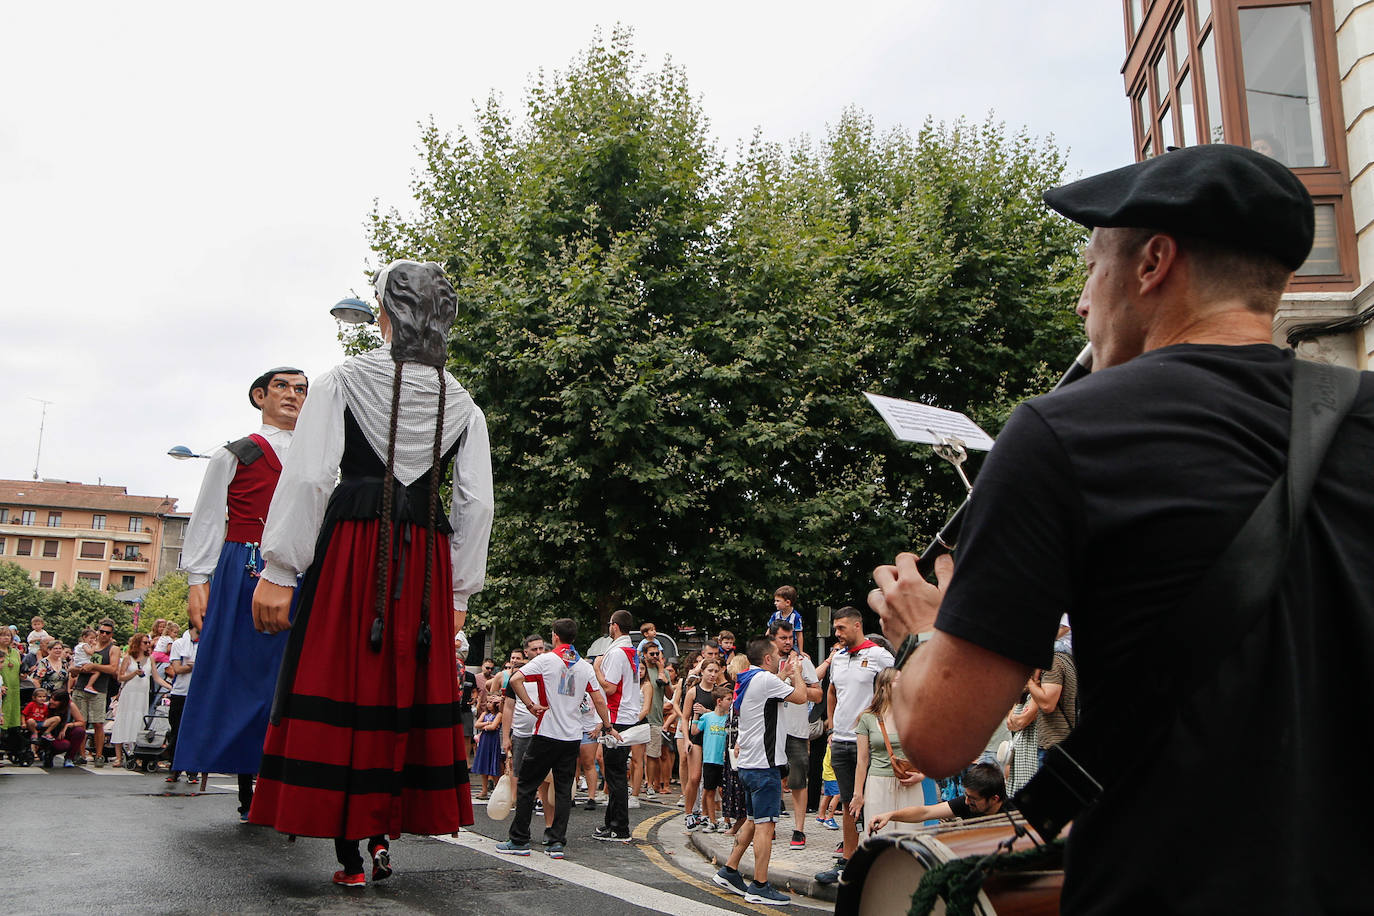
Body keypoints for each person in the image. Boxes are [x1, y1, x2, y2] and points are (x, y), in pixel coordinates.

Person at [870, 145, 1374, 913]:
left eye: (1091, 265)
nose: (1081, 301)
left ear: (1153, 264)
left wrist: (918, 632)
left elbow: (941, 738)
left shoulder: (1059, 434)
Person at [249, 260, 494, 887]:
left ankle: (349, 852)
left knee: (345, 677)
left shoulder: (343, 380)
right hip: (424, 559)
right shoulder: (462, 401)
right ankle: (384, 835)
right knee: (402, 686)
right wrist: (460, 588)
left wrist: (279, 567)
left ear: (385, 313)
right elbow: (476, 504)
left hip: (358, 545)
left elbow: (308, 475)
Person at [174, 365, 307, 818]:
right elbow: (208, 517)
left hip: (305, 570)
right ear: (259, 396)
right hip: (244, 566)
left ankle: (286, 774)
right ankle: (248, 779)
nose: (293, 395)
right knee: (245, 670)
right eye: (283, 387)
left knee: (293, 676)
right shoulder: (235, 453)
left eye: (301, 389)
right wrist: (198, 580)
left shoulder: (321, 455)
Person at [497, 617, 615, 859]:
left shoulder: (546, 660)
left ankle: (519, 839)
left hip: (546, 733)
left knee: (527, 786)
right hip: (571, 737)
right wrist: (607, 725)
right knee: (563, 791)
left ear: (555, 636)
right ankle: (556, 842)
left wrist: (530, 705)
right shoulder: (583, 666)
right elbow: (599, 699)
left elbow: (516, 678)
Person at [711, 635, 809, 906]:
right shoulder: (765, 680)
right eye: (777, 653)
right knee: (766, 826)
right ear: (767, 658)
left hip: (748, 765)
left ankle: (729, 870)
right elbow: (801, 697)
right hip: (764, 767)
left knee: (754, 822)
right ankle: (760, 885)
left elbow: (770, 698)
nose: (781, 656)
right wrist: (797, 673)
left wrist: (784, 674)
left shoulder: (748, 679)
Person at [816, 607, 893, 884]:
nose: (837, 633)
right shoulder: (837, 657)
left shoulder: (879, 655)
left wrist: (873, 712)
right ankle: (848, 862)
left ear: (857, 625)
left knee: (873, 802)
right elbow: (832, 690)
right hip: (841, 741)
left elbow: (896, 688)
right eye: (835, 628)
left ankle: (875, 862)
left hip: (869, 743)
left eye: (841, 628)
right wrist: (832, 723)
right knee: (848, 802)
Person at [850, 668, 935, 837]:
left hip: (909, 782)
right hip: (878, 782)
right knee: (878, 836)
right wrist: (858, 794)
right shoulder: (867, 717)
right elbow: (862, 760)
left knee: (911, 836)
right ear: (884, 686)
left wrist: (923, 775)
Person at [592, 609, 645, 842]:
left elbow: (610, 687)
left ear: (614, 626)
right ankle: (610, 823)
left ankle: (619, 827)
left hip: (617, 717)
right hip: (627, 715)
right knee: (615, 774)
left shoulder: (615, 653)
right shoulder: (631, 650)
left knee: (614, 776)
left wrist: (596, 668)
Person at [769, 619, 821, 850]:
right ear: (773, 638)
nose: (788, 642)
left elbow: (818, 696)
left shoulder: (803, 662)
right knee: (770, 778)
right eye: (783, 638)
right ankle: (768, 825)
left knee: (798, 780)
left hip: (797, 731)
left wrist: (795, 681)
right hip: (771, 730)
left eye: (791, 638)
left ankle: (799, 829)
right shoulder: (767, 661)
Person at [867, 763, 1010, 833]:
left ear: (994, 799)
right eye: (966, 796)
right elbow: (925, 812)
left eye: (973, 799)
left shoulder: (1015, 815)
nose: (967, 801)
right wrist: (890, 815)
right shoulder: (966, 804)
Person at [111, 634, 169, 767]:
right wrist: (133, 674)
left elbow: (156, 677)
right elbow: (120, 677)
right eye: (145, 642)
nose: (148, 645)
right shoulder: (128, 658)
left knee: (139, 721)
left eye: (149, 642)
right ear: (138, 643)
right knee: (123, 720)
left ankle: (137, 753)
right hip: (129, 693)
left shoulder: (150, 659)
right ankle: (119, 756)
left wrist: (170, 687)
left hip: (142, 695)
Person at [679, 658, 724, 830]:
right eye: (710, 671)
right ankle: (689, 812)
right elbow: (685, 717)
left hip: (714, 738)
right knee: (695, 777)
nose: (713, 675)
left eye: (715, 671)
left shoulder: (718, 693)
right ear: (702, 671)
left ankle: (706, 814)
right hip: (697, 738)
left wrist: (707, 712)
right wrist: (686, 739)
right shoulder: (693, 692)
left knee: (710, 780)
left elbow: (723, 713)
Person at [70, 618, 120, 767]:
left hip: (99, 689)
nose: (103, 634)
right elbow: (76, 665)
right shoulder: (88, 645)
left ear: (111, 634)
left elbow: (113, 669)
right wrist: (76, 670)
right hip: (80, 686)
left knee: (98, 723)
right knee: (81, 723)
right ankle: (81, 754)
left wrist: (95, 666)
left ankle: (99, 754)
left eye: (107, 632)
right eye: (101, 631)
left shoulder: (113, 649)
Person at [692, 687, 731, 831]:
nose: (730, 702)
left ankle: (726, 820)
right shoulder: (707, 718)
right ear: (719, 701)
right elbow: (694, 731)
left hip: (725, 761)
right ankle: (712, 820)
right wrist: (696, 715)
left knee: (724, 791)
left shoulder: (729, 718)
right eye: (728, 699)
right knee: (709, 790)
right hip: (709, 759)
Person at [164, 623, 198, 783]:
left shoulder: (206, 642)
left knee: (194, 731)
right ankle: (174, 767)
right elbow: (176, 669)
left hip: (197, 692)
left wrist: (189, 666)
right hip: (179, 692)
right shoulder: (179, 644)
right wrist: (193, 666)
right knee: (176, 730)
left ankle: (192, 769)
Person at [471, 695, 504, 799]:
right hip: (485, 741)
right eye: (488, 702)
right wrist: (487, 724)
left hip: (493, 741)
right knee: (484, 765)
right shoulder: (485, 714)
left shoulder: (499, 714)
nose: (489, 704)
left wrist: (485, 726)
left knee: (494, 765)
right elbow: (477, 724)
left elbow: (494, 727)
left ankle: (497, 790)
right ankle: (484, 790)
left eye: (491, 702)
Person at [815, 743, 840, 830]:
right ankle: (829, 817)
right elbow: (834, 761)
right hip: (832, 775)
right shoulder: (834, 744)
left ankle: (821, 816)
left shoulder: (831, 743)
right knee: (837, 795)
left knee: (827, 794)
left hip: (827, 773)